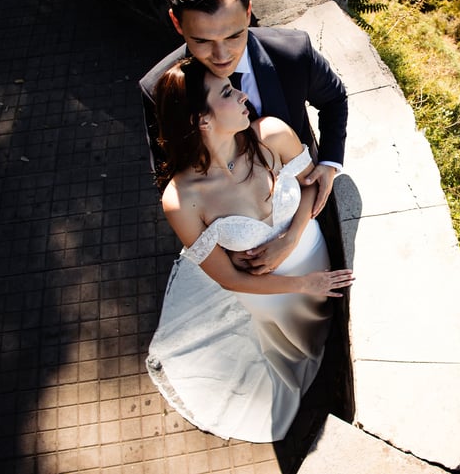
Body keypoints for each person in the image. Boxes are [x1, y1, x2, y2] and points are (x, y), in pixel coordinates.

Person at [145, 58, 354, 442]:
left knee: (323, 319)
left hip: (310, 247)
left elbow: (309, 186)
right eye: (226, 92)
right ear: (200, 120)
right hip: (265, 293)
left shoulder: (271, 133)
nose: (242, 95)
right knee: (293, 336)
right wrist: (303, 284)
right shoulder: (181, 200)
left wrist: (291, 238)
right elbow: (227, 277)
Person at [139, 0, 348, 274]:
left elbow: (335, 99)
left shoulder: (293, 53)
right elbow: (169, 172)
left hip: (305, 207)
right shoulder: (159, 89)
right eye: (203, 41)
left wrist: (329, 166)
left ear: (248, 12)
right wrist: (223, 250)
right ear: (178, 24)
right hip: (241, 251)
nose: (222, 57)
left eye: (234, 36)